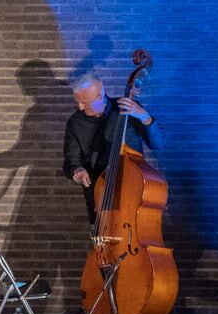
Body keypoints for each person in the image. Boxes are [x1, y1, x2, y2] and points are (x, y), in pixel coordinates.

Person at [63, 71, 154, 225]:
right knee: (101, 246)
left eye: (84, 102)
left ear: (100, 96)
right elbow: (71, 161)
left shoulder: (127, 109)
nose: (80, 107)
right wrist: (77, 170)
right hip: (98, 200)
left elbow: (158, 143)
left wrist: (145, 116)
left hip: (131, 196)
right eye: (77, 102)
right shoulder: (75, 122)